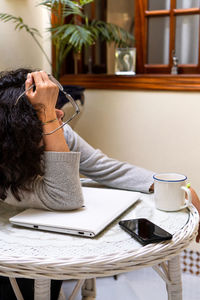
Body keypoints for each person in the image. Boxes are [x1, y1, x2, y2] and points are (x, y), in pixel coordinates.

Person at [0, 69, 199, 299]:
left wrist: (169, 186)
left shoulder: (56, 130)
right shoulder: (6, 164)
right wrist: (48, 119)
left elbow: (104, 167)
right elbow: (65, 196)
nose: (59, 115)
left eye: (55, 105)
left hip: (48, 253)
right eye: (44, 110)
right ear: (18, 128)